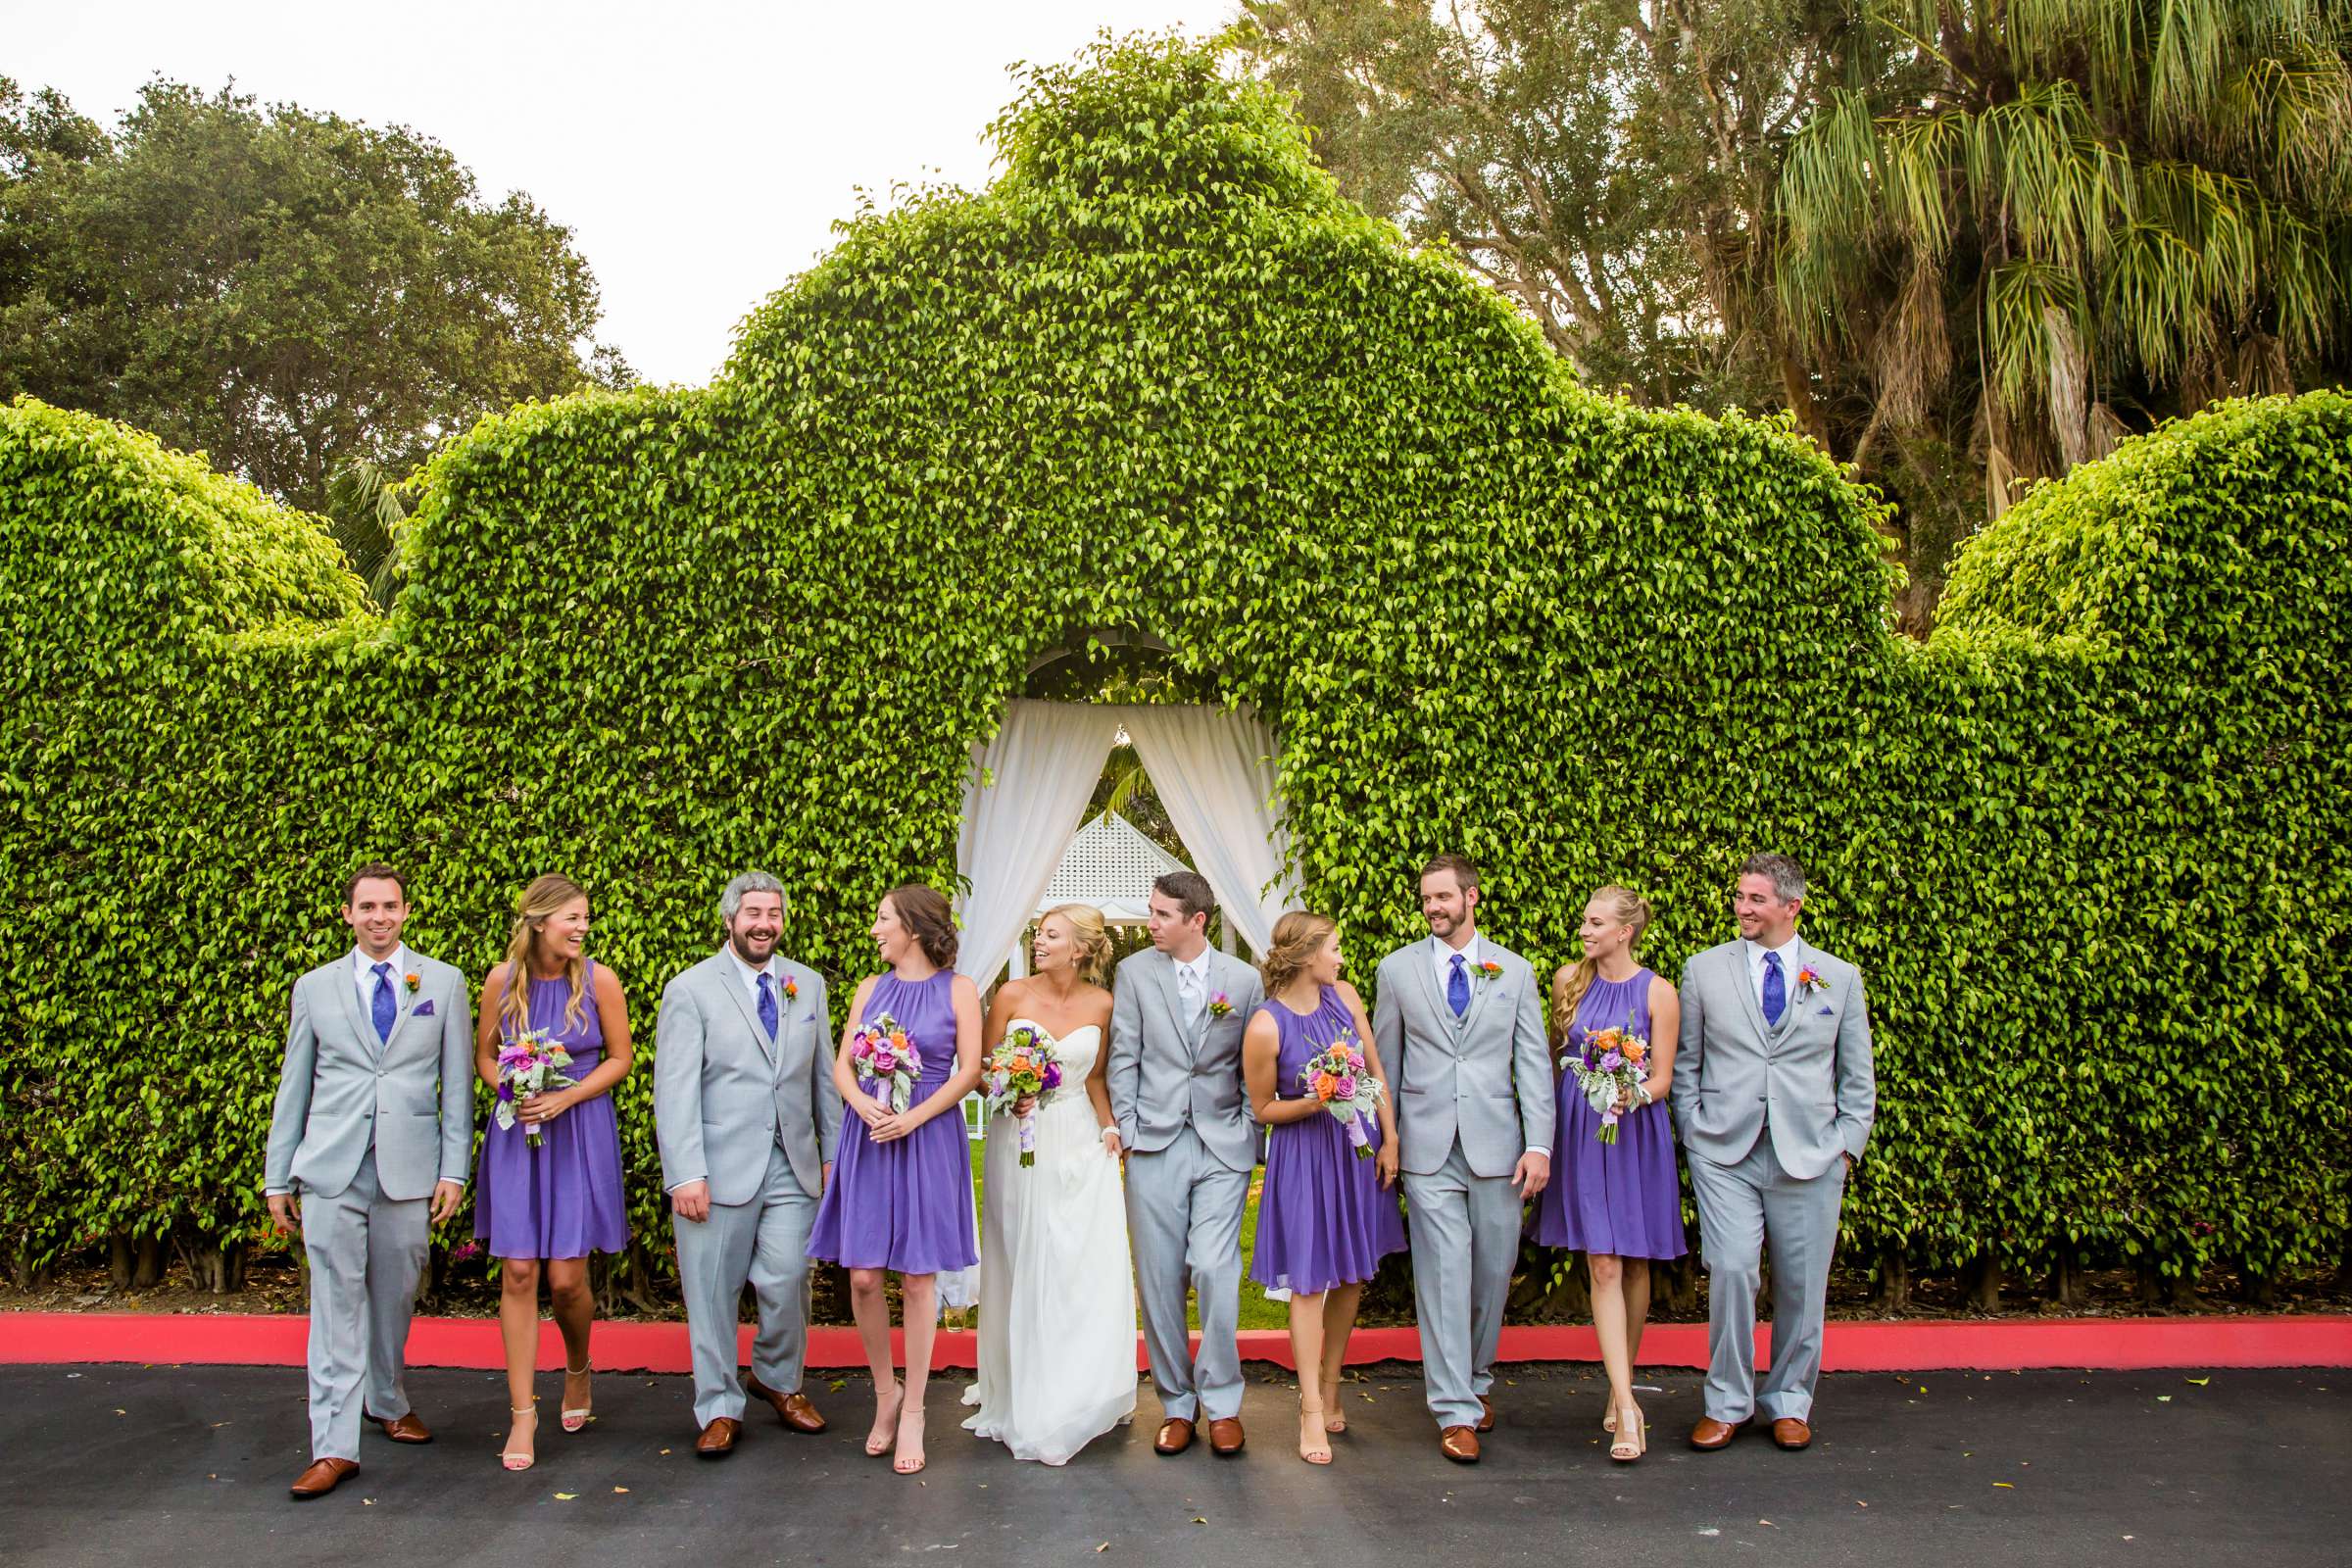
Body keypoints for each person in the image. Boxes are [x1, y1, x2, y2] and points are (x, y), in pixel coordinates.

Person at [264, 864, 472, 1500]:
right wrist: (280, 1175)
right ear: (348, 915)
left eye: (390, 905)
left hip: (409, 1168)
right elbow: (293, 1085)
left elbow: (457, 1084)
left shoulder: (443, 982)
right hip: (331, 1167)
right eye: (367, 907)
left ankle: (384, 1396)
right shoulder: (314, 988)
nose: (379, 916)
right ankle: (332, 1447)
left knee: (396, 1291)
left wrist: (454, 1170)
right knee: (335, 1303)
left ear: (406, 911)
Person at [1674, 853, 1876, 1453]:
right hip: (1724, 1152)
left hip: (1811, 1156)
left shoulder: (1838, 978)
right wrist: (1693, 1128)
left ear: (1792, 907)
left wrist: (1846, 1148)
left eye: (1756, 899)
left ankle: (1789, 1401)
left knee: (1803, 1284)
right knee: (1732, 1269)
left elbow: (1856, 1077)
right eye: (1739, 897)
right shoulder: (1704, 971)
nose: (1742, 908)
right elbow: (1687, 1064)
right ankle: (1727, 1402)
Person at [1371, 852, 1553, 1464]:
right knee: (1444, 1273)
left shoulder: (1516, 971)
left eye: (1443, 898)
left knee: (1493, 1273)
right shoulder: (1396, 971)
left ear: (1471, 898)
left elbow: (1532, 1062)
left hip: (1499, 1149)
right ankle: (1453, 1409)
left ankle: (1474, 1381)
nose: (1433, 908)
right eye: (1426, 899)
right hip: (1425, 1149)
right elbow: (1383, 1066)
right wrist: (1387, 1141)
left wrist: (1539, 1144)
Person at [654, 871, 840, 1459]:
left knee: (789, 1280)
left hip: (794, 1164)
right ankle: (717, 1406)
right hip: (716, 1167)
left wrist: (832, 1156)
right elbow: (675, 1088)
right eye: (754, 913)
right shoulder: (690, 989)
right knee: (710, 1294)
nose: (765, 924)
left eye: (774, 913)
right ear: (730, 918)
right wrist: (685, 1173)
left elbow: (823, 1079)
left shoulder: (806, 986)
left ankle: (777, 1380)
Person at [806, 883, 982, 1475]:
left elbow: (971, 1069)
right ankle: (885, 1393)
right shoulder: (868, 988)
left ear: (913, 926)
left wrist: (914, 1116)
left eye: (883, 919)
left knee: (917, 1276)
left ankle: (915, 1411)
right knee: (861, 1276)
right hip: (871, 1133)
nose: (874, 929)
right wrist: (859, 1103)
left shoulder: (959, 989)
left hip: (926, 1133)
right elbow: (842, 1063)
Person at [960, 903, 1136, 1465]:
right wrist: (1012, 1089)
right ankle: (1016, 1389)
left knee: (1074, 1262)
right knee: (1020, 1258)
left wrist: (1109, 1126)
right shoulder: (1011, 997)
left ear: (1081, 949)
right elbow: (984, 1071)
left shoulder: (1103, 1003)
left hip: (1080, 1141)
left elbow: (1099, 1077)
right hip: (1019, 1138)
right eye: (1039, 933)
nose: (1040, 942)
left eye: (1051, 935)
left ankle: (1075, 1386)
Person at [472, 873, 633, 1471]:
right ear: (539, 921)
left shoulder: (599, 980)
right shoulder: (501, 980)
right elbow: (485, 1057)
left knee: (566, 1280)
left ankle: (578, 1367)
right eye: (573, 917)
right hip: (519, 1134)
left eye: (585, 918)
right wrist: (510, 1087)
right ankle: (522, 1416)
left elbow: (621, 1057)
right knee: (518, 1271)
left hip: (578, 1131)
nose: (582, 927)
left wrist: (566, 1097)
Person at [1105, 869, 1267, 1458]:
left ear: (1197, 921)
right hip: (1154, 1140)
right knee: (1159, 1274)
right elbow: (1124, 1055)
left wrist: (1250, 1128)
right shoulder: (1134, 973)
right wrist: (1126, 1128)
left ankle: (1223, 1401)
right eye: (1151, 911)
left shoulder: (1243, 980)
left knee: (1215, 1267)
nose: (1150, 923)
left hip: (1223, 1142)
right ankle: (1176, 1404)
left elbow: (1255, 1060)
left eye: (1162, 915)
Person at [1243, 911, 1405, 1464]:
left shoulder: (1346, 996)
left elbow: (1375, 1070)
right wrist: (1319, 1100)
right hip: (1305, 1157)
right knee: (1310, 1282)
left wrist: (1390, 1139)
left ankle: (1333, 1382)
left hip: (1355, 1154)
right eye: (1333, 948)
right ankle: (1310, 1406)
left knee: (1354, 1276)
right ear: (1308, 953)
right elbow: (1263, 1108)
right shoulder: (1266, 1024)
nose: (1340, 957)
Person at [1529, 886, 1685, 1460]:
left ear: (1625, 931)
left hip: (1633, 1133)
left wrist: (1630, 1092)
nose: (1585, 930)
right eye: (1584, 920)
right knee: (1602, 1261)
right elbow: (1554, 1057)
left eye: (1596, 922)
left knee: (1635, 1258)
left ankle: (1623, 1381)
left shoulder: (1660, 993)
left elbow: (1665, 1075)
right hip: (1581, 1133)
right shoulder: (1569, 979)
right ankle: (1626, 1405)